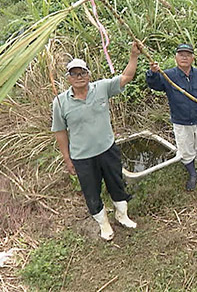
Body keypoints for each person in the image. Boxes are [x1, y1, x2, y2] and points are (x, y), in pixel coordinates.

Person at [51, 43, 141, 241]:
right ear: (68, 78)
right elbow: (60, 132)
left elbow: (126, 78)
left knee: (117, 183)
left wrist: (133, 56)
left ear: (88, 74)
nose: (79, 77)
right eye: (74, 74)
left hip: (108, 150)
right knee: (91, 192)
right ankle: (104, 224)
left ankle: (122, 215)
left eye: (82, 72)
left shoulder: (101, 88)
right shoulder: (60, 102)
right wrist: (67, 159)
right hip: (82, 157)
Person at [146, 43, 197, 191]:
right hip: (181, 121)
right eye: (181, 54)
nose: (184, 57)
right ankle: (192, 174)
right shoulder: (168, 75)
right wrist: (154, 73)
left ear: (193, 58)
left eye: (187, 55)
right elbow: (154, 85)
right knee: (185, 149)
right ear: (175, 57)